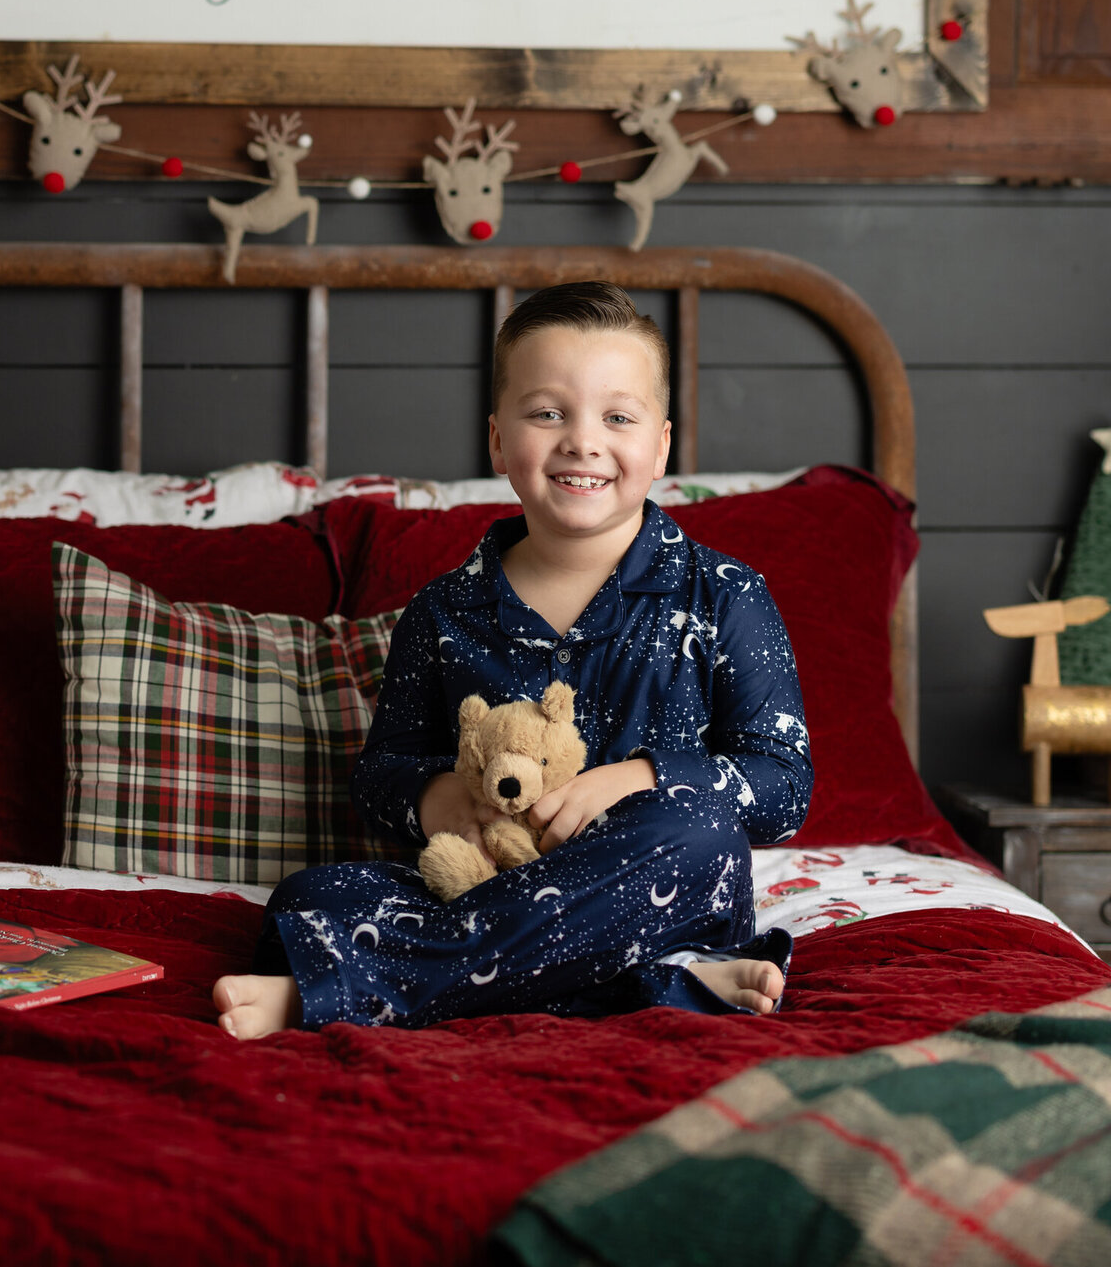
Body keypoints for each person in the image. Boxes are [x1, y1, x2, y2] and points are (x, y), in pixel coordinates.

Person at [213, 282, 812, 1039]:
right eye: (548, 412)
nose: (582, 441)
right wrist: (439, 801)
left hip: (655, 890)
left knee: (701, 833)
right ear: (499, 440)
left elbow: (783, 785)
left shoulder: (724, 593)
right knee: (304, 900)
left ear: (660, 444)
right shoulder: (444, 611)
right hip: (489, 881)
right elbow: (381, 772)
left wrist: (638, 780)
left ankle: (356, 987)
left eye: (617, 417)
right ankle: (657, 984)